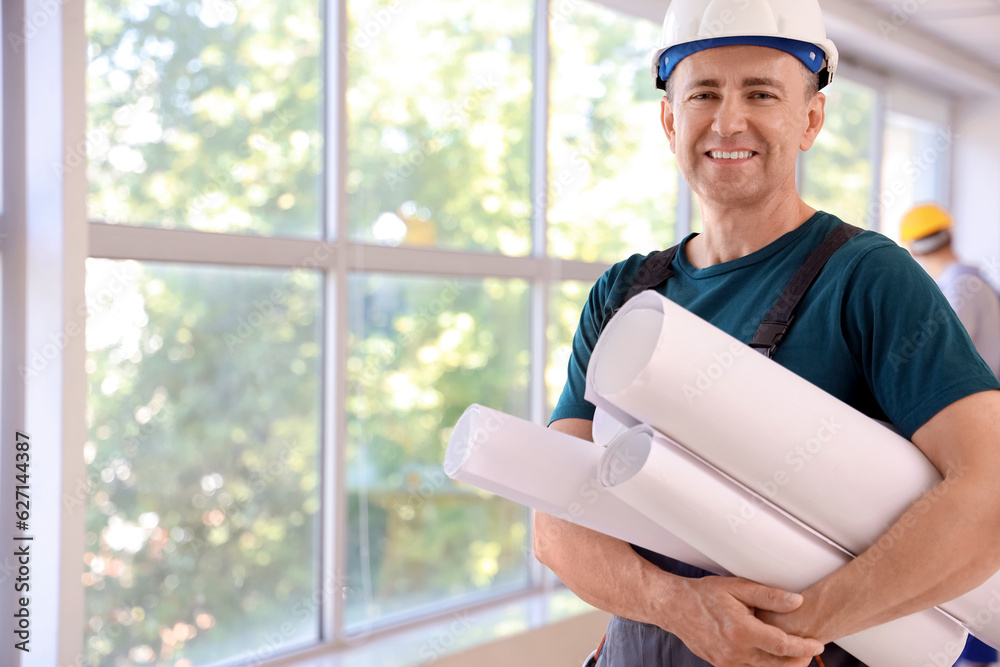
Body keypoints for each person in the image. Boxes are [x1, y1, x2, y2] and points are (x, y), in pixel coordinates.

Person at [532, 1, 1000, 666]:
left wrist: (794, 627)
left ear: (810, 118)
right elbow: (555, 519)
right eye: (703, 93)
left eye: (761, 93)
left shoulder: (868, 279)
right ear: (670, 120)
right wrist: (682, 609)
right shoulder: (624, 293)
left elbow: (988, 492)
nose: (729, 120)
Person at [901, 203, 1000, 379]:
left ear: (913, 251)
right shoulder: (970, 282)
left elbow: (942, 356)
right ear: (950, 235)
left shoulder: (961, 286)